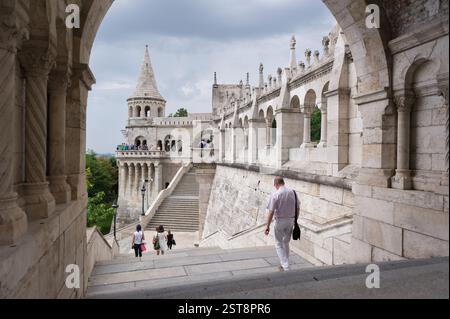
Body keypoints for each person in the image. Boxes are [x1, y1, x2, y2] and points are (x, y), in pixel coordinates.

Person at [264, 177, 299, 272]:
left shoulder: (275, 194)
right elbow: (298, 208)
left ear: (276, 184)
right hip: (291, 220)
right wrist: (295, 221)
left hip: (280, 221)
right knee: (286, 242)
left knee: (278, 243)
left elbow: (271, 212)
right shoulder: (293, 192)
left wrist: (267, 226)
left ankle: (286, 266)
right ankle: (284, 265)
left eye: (274, 185)